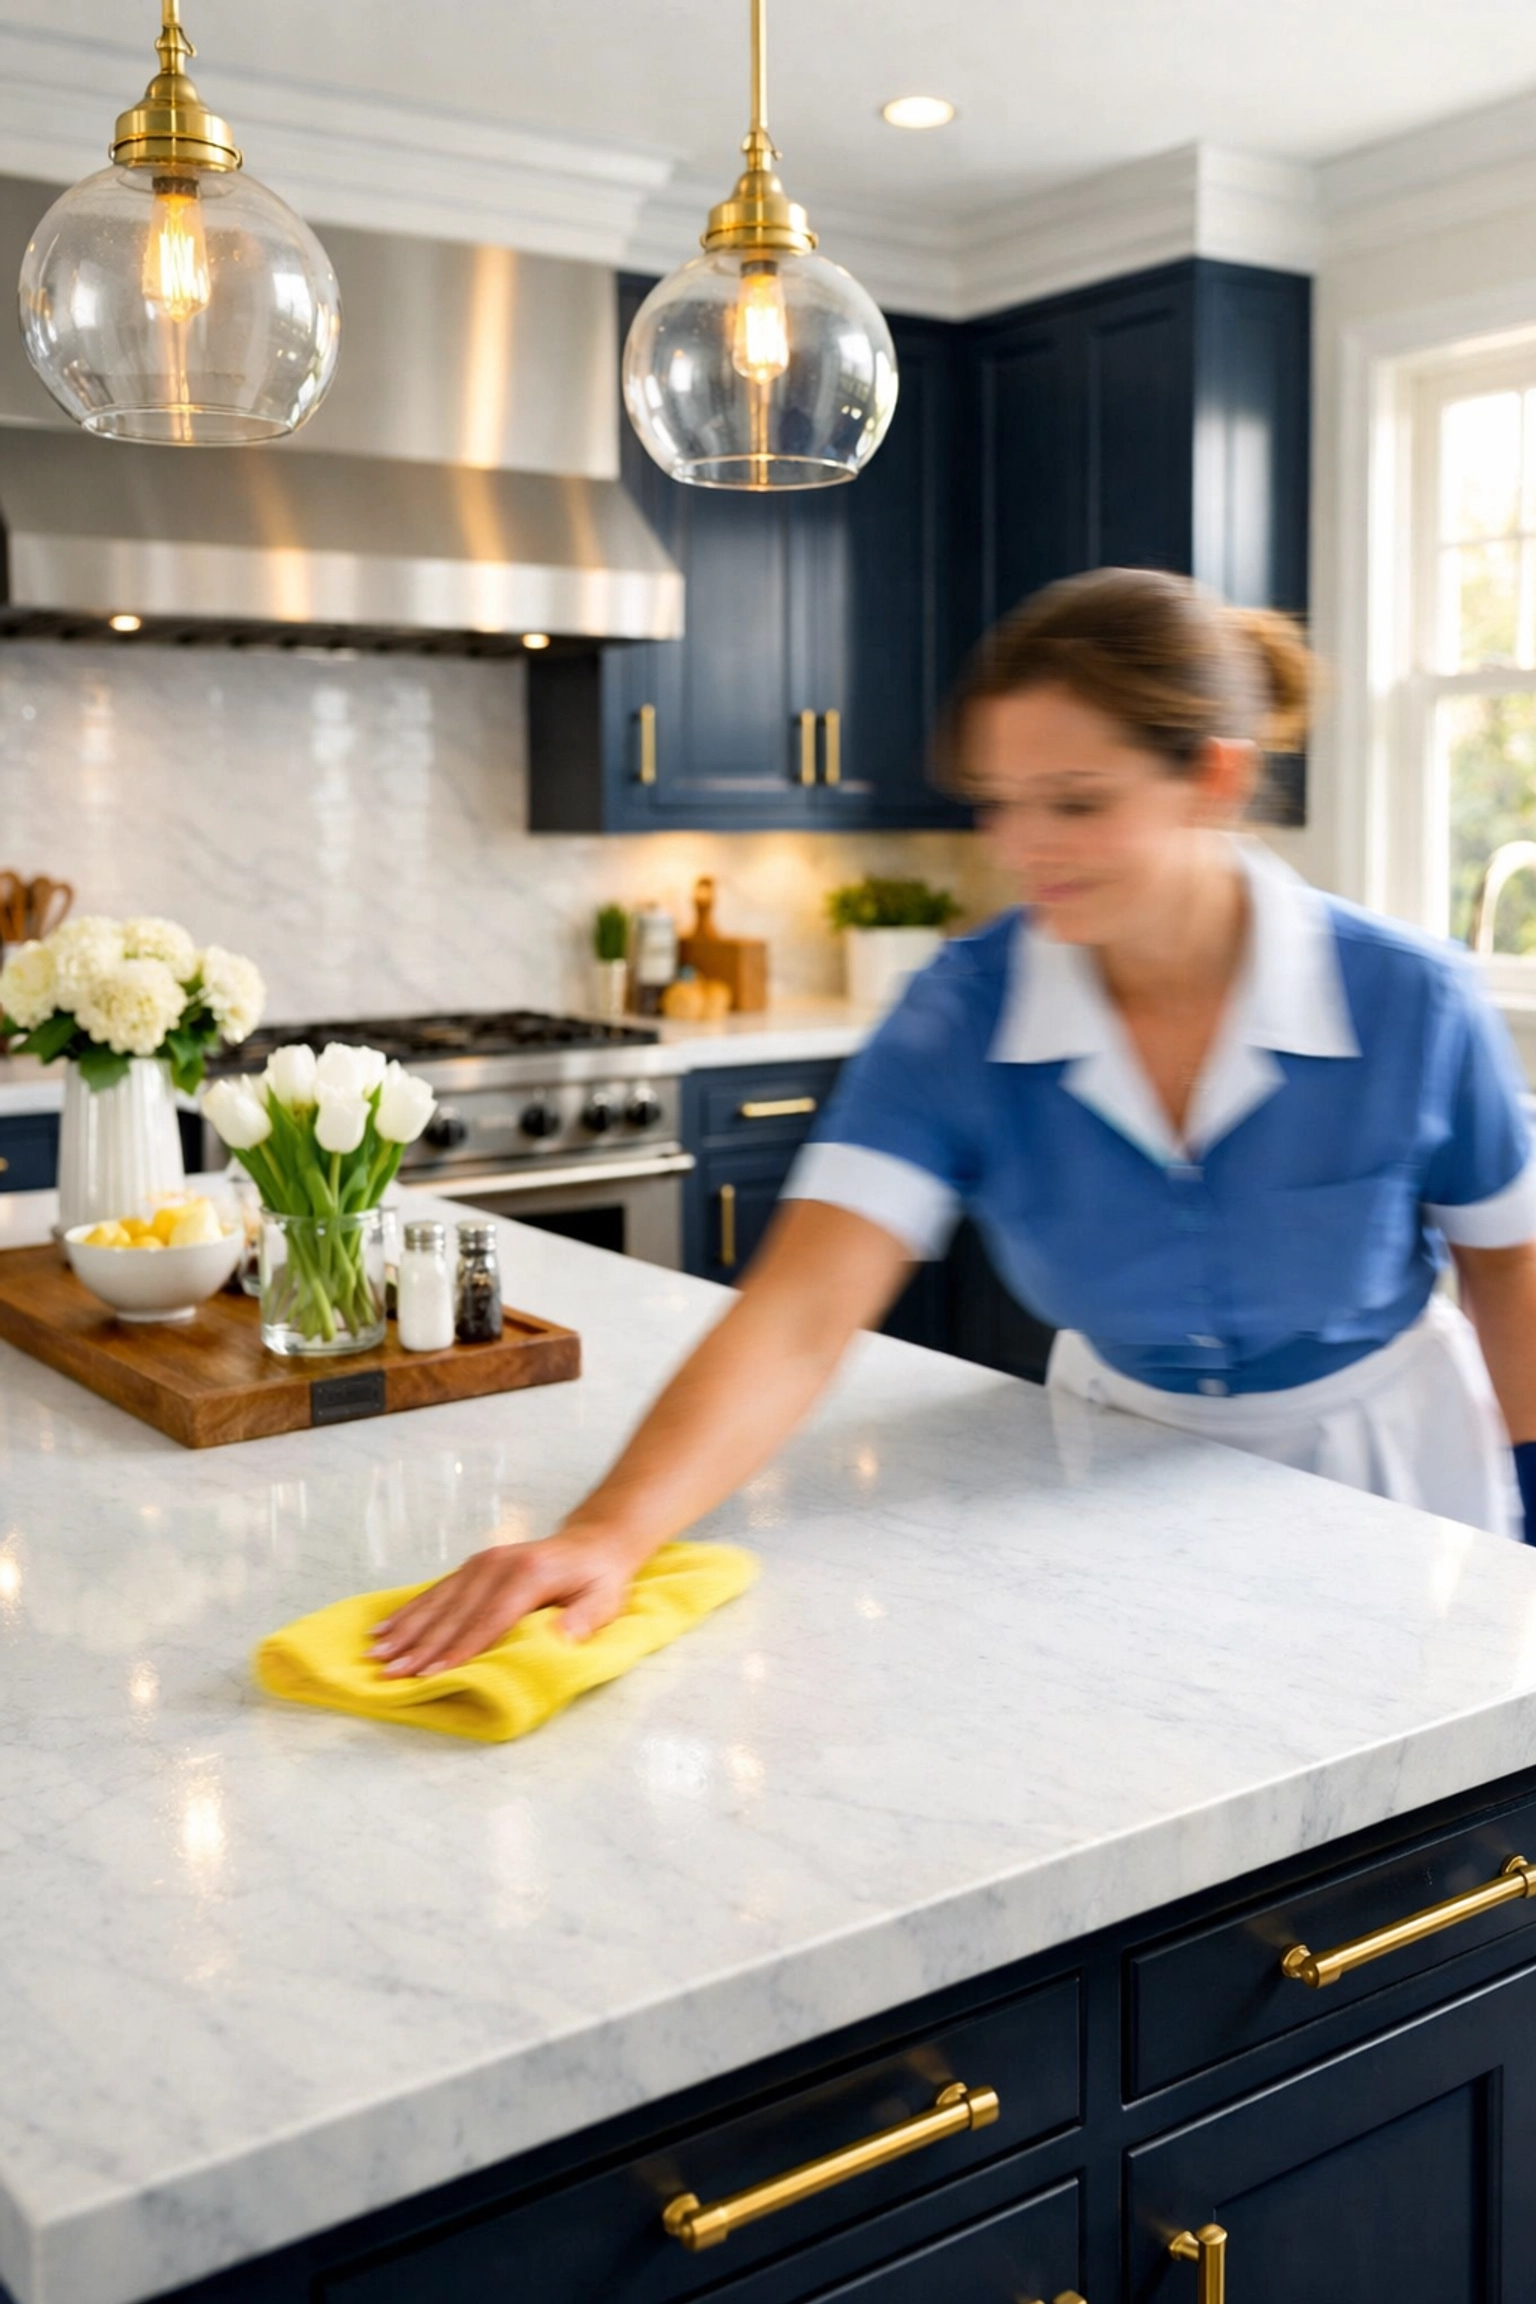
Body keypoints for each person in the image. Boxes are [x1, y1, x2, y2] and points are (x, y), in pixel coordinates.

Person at [372, 568, 1536, 1679]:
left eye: (1079, 803)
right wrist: (608, 1535)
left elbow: (1513, 1276)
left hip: (1387, 1485)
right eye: (1003, 804)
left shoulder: (1409, 999)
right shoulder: (965, 1013)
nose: (1026, 848)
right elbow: (801, 1314)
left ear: (1214, 779)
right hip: (1111, 1461)